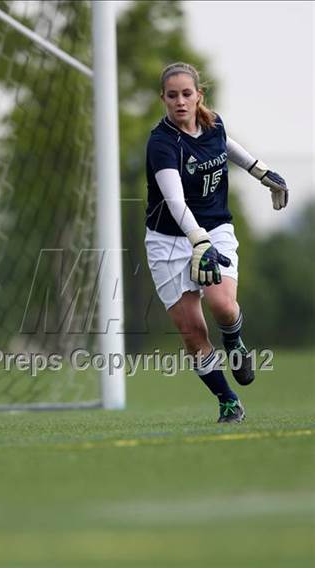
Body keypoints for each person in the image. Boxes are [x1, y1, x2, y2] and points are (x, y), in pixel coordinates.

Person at [145, 62, 289, 423]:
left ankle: (235, 342)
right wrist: (197, 242)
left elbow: (225, 144)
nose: (180, 101)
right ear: (163, 98)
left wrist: (261, 172)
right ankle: (227, 400)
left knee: (223, 306)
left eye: (187, 94)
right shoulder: (161, 143)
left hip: (216, 229)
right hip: (169, 241)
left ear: (199, 96)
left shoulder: (213, 123)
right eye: (173, 95)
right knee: (192, 332)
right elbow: (175, 202)